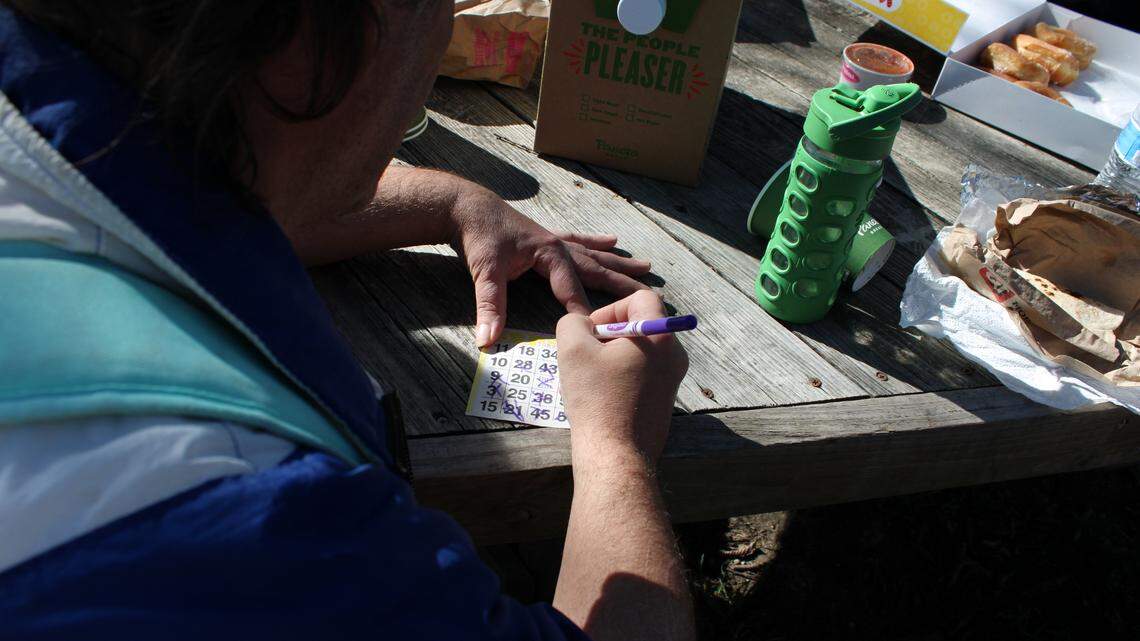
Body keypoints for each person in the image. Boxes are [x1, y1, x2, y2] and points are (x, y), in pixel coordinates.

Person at [0, 1, 693, 640]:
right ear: (336, 33)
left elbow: (182, 197)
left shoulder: (42, 73)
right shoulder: (277, 530)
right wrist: (616, 447)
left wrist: (447, 201)